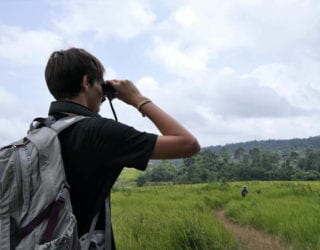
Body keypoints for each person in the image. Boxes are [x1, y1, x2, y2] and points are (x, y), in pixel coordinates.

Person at [44, 47, 200, 248]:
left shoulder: (41, 130)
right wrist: (137, 98)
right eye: (100, 83)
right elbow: (188, 144)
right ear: (86, 82)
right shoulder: (99, 132)